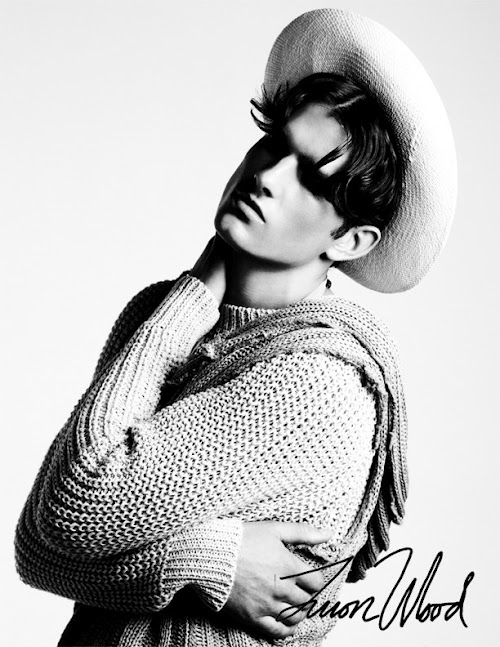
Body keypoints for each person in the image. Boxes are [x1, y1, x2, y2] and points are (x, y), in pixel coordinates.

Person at [14, 8, 456, 647]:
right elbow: (38, 548)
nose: (268, 178)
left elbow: (74, 505)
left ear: (352, 240)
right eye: (276, 145)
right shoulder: (163, 316)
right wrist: (216, 561)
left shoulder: (321, 383)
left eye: (312, 180)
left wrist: (169, 560)